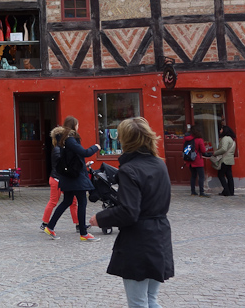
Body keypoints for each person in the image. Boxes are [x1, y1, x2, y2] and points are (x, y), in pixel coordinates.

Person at [89, 117, 174, 308]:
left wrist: (100, 218)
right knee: (150, 299)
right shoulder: (159, 164)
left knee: (138, 303)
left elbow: (129, 212)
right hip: (159, 235)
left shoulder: (130, 170)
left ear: (126, 140)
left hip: (140, 241)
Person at [43, 116, 101, 241]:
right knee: (82, 202)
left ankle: (50, 226)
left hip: (68, 175)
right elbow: (84, 153)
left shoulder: (63, 139)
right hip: (74, 176)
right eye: (77, 124)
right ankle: (84, 233)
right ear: (74, 125)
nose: (78, 127)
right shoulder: (70, 139)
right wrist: (95, 147)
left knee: (67, 201)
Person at [40, 125, 81, 232]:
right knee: (54, 201)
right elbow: (63, 165)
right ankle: (45, 223)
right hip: (57, 179)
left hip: (60, 179)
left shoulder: (59, 148)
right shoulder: (58, 150)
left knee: (73, 201)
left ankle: (78, 224)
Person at [183, 127, 209, 197]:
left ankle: (193, 191)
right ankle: (201, 192)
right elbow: (203, 150)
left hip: (190, 160)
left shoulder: (186, 139)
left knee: (193, 176)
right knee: (201, 176)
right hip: (198, 160)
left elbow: (185, 149)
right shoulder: (199, 140)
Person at [212, 125, 236, 196]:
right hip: (230, 159)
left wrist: (215, 153)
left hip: (224, 159)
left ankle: (226, 191)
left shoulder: (225, 139)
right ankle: (231, 191)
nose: (220, 131)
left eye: (221, 129)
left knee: (220, 175)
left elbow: (224, 149)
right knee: (229, 176)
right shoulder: (231, 139)